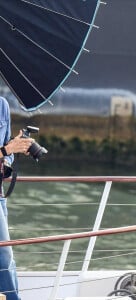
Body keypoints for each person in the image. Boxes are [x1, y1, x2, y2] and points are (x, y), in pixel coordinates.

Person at [0, 96, 34, 300]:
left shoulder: (2, 105)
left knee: (5, 258)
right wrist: (7, 149)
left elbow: (7, 152)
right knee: (4, 258)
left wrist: (16, 147)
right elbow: (5, 149)